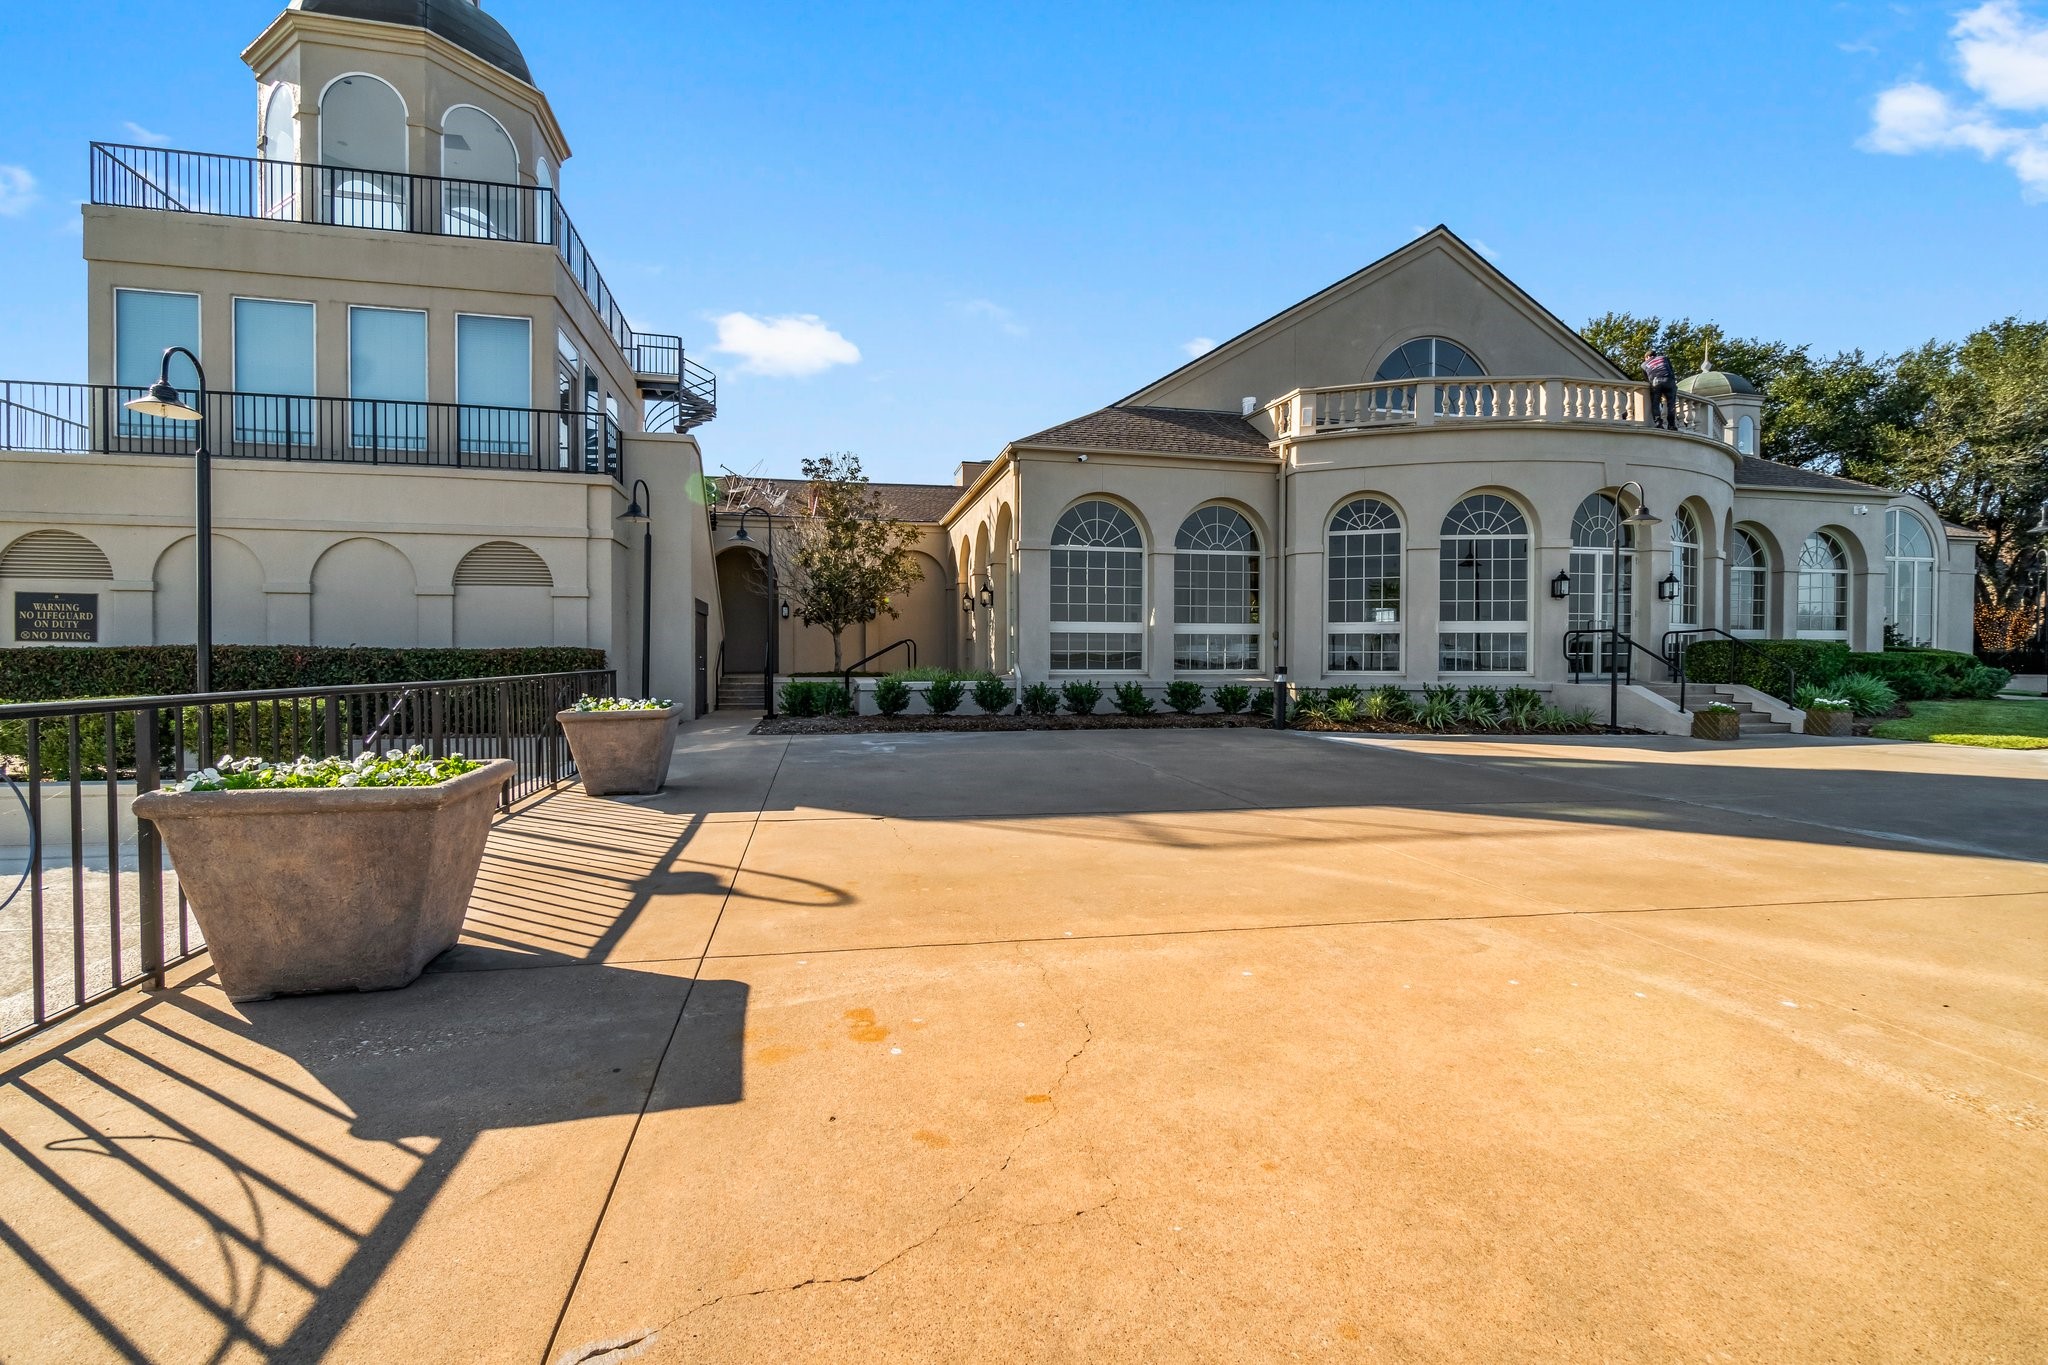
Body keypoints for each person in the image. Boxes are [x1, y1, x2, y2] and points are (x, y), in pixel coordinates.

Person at [1643, 348, 1677, 430]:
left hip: (1656, 382)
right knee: (1671, 404)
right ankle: (1671, 425)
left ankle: (1658, 422)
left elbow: (1646, 378)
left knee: (1656, 403)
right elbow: (1671, 371)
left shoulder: (1644, 364)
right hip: (1669, 381)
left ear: (1647, 357)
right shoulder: (1664, 358)